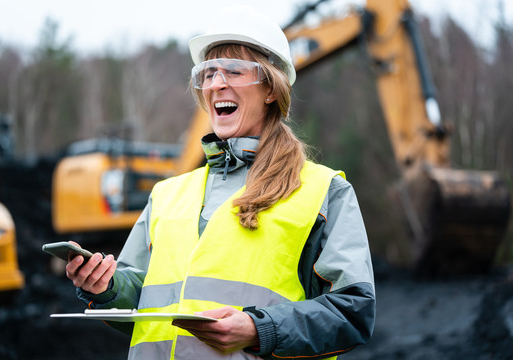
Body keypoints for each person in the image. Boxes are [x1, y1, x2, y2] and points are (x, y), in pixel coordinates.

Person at [66, 5, 375, 360]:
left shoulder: (323, 192)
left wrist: (258, 330)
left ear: (271, 88)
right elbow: (147, 305)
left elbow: (352, 314)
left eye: (234, 70)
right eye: (208, 73)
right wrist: (106, 288)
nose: (217, 83)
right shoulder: (167, 195)